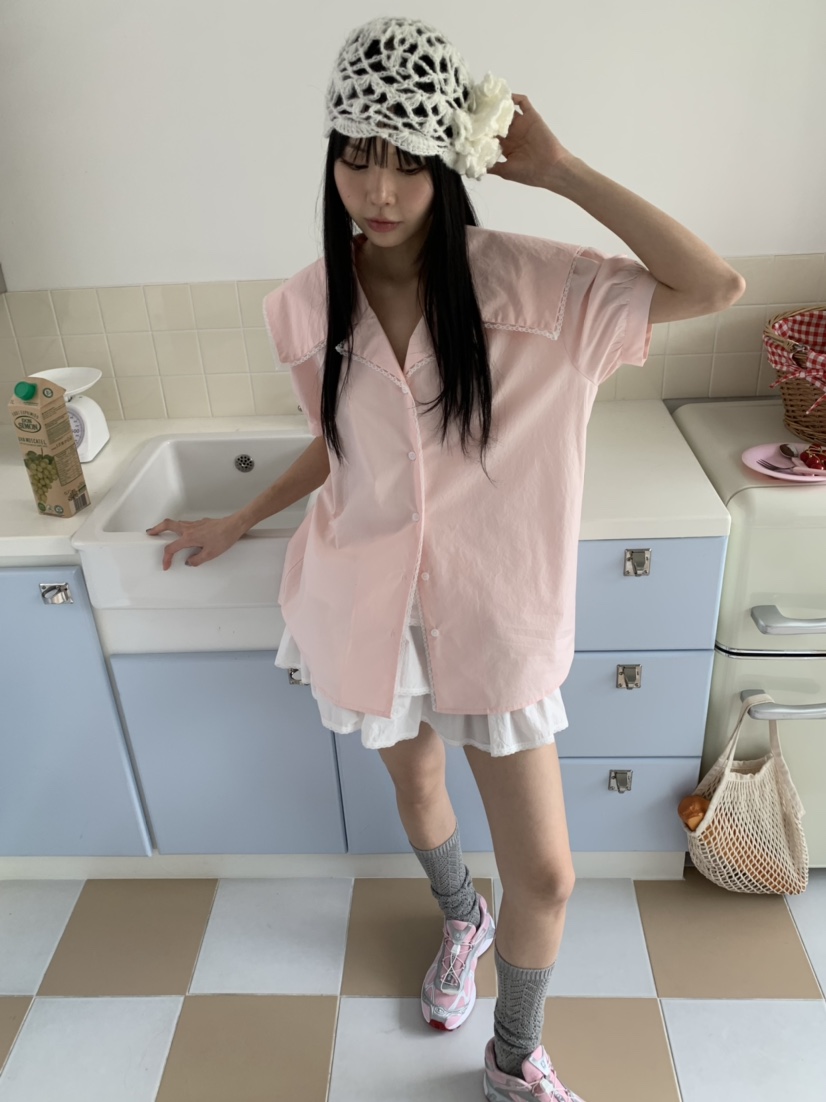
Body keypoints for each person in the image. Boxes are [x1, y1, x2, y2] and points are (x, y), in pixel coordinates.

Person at [147, 16, 745, 1101]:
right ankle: (459, 918)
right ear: (331, 157)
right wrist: (239, 517)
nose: (378, 189)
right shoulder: (304, 306)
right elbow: (341, 442)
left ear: (446, 165)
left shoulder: (543, 290)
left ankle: (513, 1056)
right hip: (368, 608)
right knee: (419, 792)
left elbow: (714, 288)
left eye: (408, 162)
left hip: (495, 614)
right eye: (356, 156)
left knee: (548, 875)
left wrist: (560, 170)